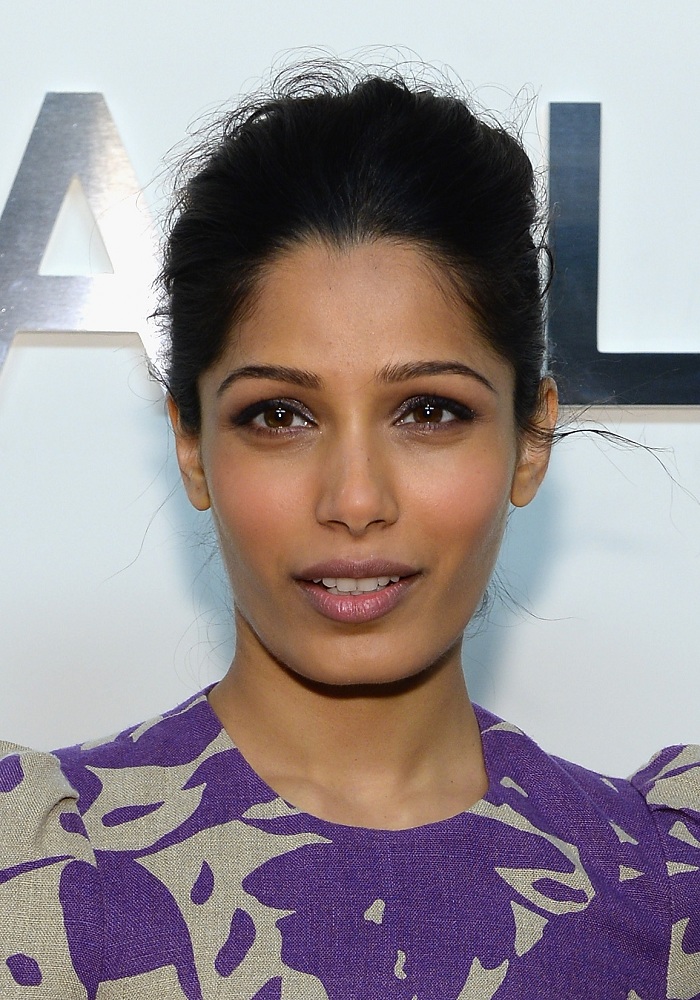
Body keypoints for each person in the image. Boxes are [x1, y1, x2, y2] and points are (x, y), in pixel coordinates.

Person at [1, 63, 699, 1000]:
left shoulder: (665, 896)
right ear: (192, 447)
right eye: (280, 416)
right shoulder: (34, 881)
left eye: (429, 411)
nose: (356, 498)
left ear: (531, 440)